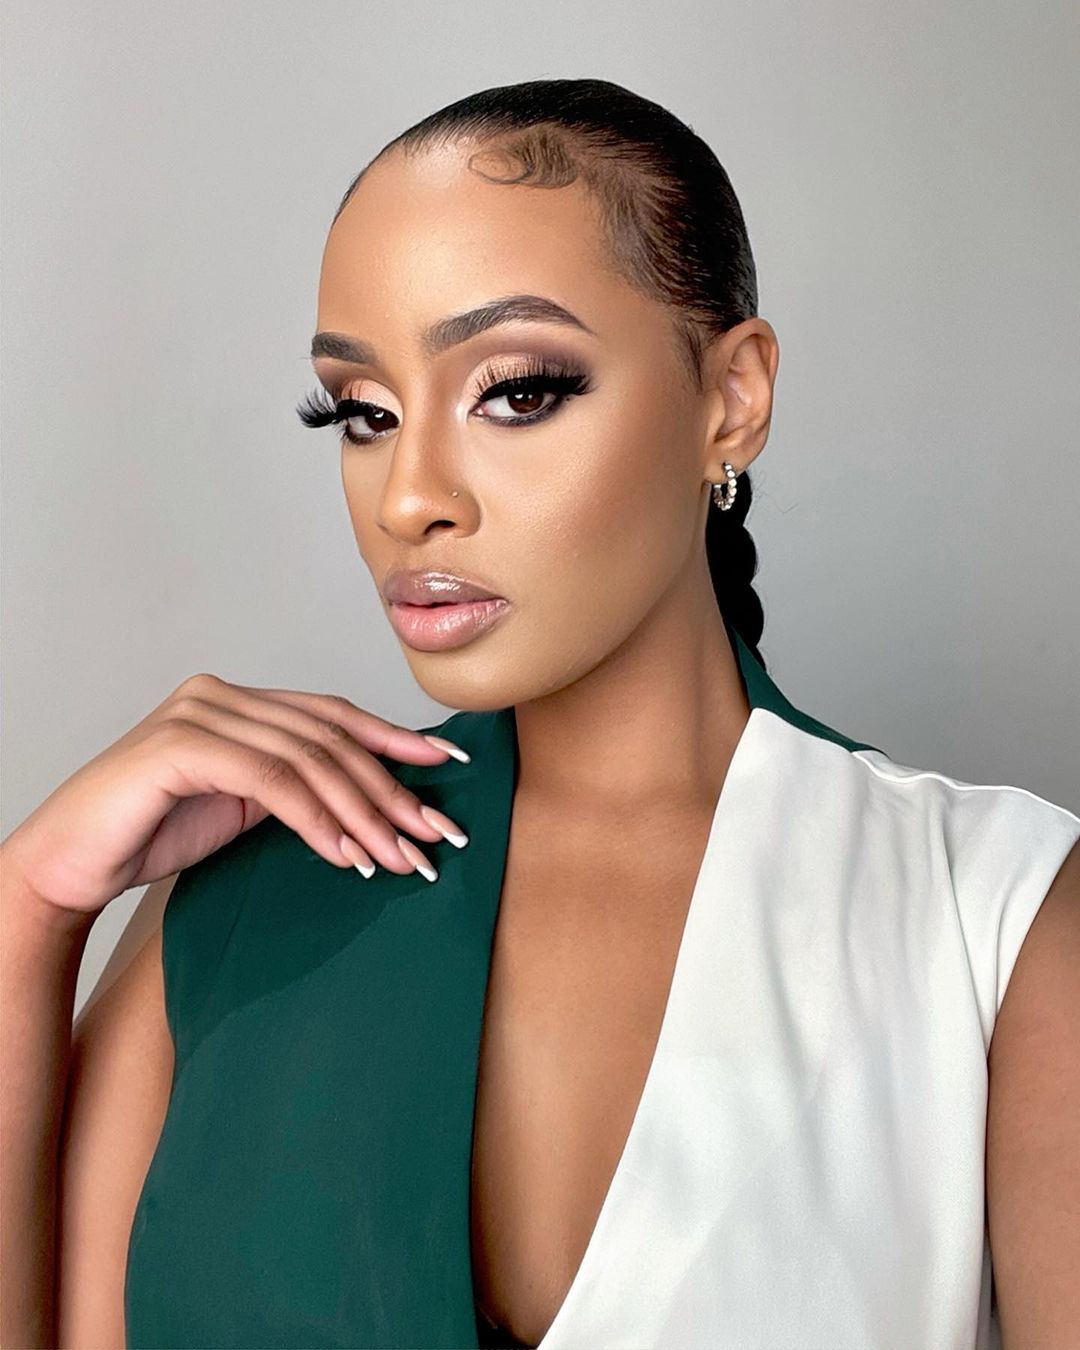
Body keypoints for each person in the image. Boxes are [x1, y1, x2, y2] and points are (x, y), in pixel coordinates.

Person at [2, 76, 1077, 1350]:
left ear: (731, 398)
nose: (410, 497)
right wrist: (30, 910)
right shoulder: (229, 908)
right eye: (364, 413)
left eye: (516, 390)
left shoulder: (993, 914)